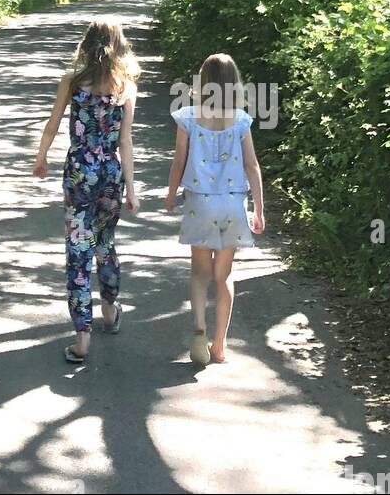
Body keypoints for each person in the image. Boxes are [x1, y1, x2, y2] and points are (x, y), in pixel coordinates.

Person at [33, 19, 140, 362]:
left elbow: (52, 123)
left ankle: (82, 339)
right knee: (105, 243)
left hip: (80, 172)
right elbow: (125, 142)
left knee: (78, 250)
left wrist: (41, 156)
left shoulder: (73, 81)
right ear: (119, 46)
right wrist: (132, 189)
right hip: (110, 174)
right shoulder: (125, 88)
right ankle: (109, 311)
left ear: (86, 44)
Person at [166, 52, 265, 365]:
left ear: (203, 82)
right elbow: (251, 165)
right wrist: (259, 209)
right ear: (233, 83)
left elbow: (179, 162)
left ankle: (199, 329)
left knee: (199, 272)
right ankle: (220, 345)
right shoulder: (241, 119)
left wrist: (170, 195)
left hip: (199, 202)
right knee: (224, 276)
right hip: (233, 204)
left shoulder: (189, 117)